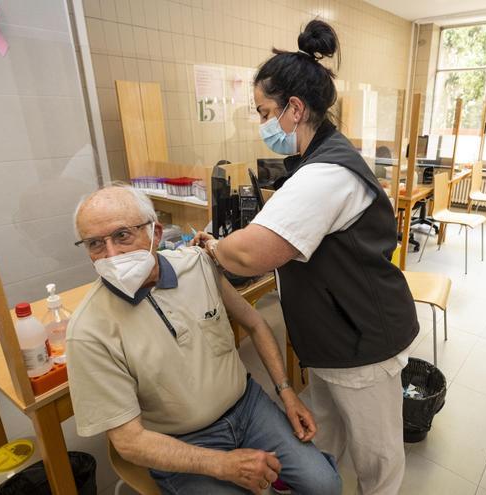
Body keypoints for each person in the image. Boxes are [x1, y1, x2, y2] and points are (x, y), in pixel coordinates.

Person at [192, 20, 419, 494]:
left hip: (362, 339)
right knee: (329, 435)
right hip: (333, 337)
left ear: (294, 109)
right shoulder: (319, 160)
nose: (262, 124)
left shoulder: (327, 174)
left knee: (378, 457)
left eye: (263, 112)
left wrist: (215, 247)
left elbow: (253, 252)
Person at [66, 185, 341, 494]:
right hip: (182, 441)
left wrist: (287, 392)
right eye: (95, 244)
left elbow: (256, 324)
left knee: (324, 485)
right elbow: (128, 442)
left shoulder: (197, 265)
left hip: (248, 408)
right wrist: (222, 465)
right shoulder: (88, 332)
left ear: (155, 233)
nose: (111, 254)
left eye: (122, 236)